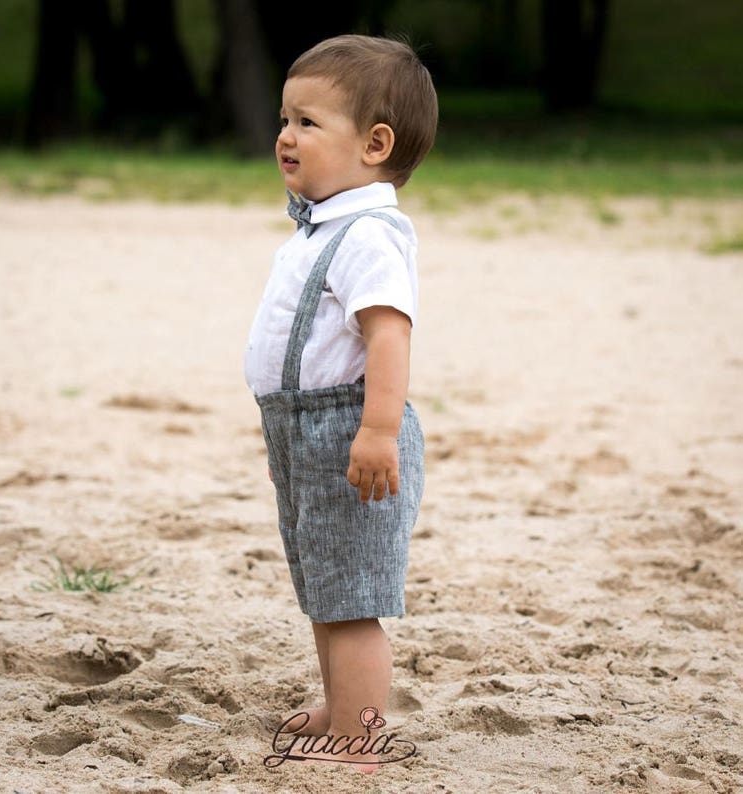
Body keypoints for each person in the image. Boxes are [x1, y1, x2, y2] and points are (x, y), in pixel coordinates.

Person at [244, 33, 437, 771]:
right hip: (306, 434)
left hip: (353, 430)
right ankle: (339, 703)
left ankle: (360, 735)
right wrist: (285, 447)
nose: (285, 137)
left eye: (307, 123)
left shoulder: (366, 235)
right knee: (324, 585)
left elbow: (389, 336)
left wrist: (378, 429)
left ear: (375, 143)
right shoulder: (324, 225)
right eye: (284, 119)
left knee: (352, 596)